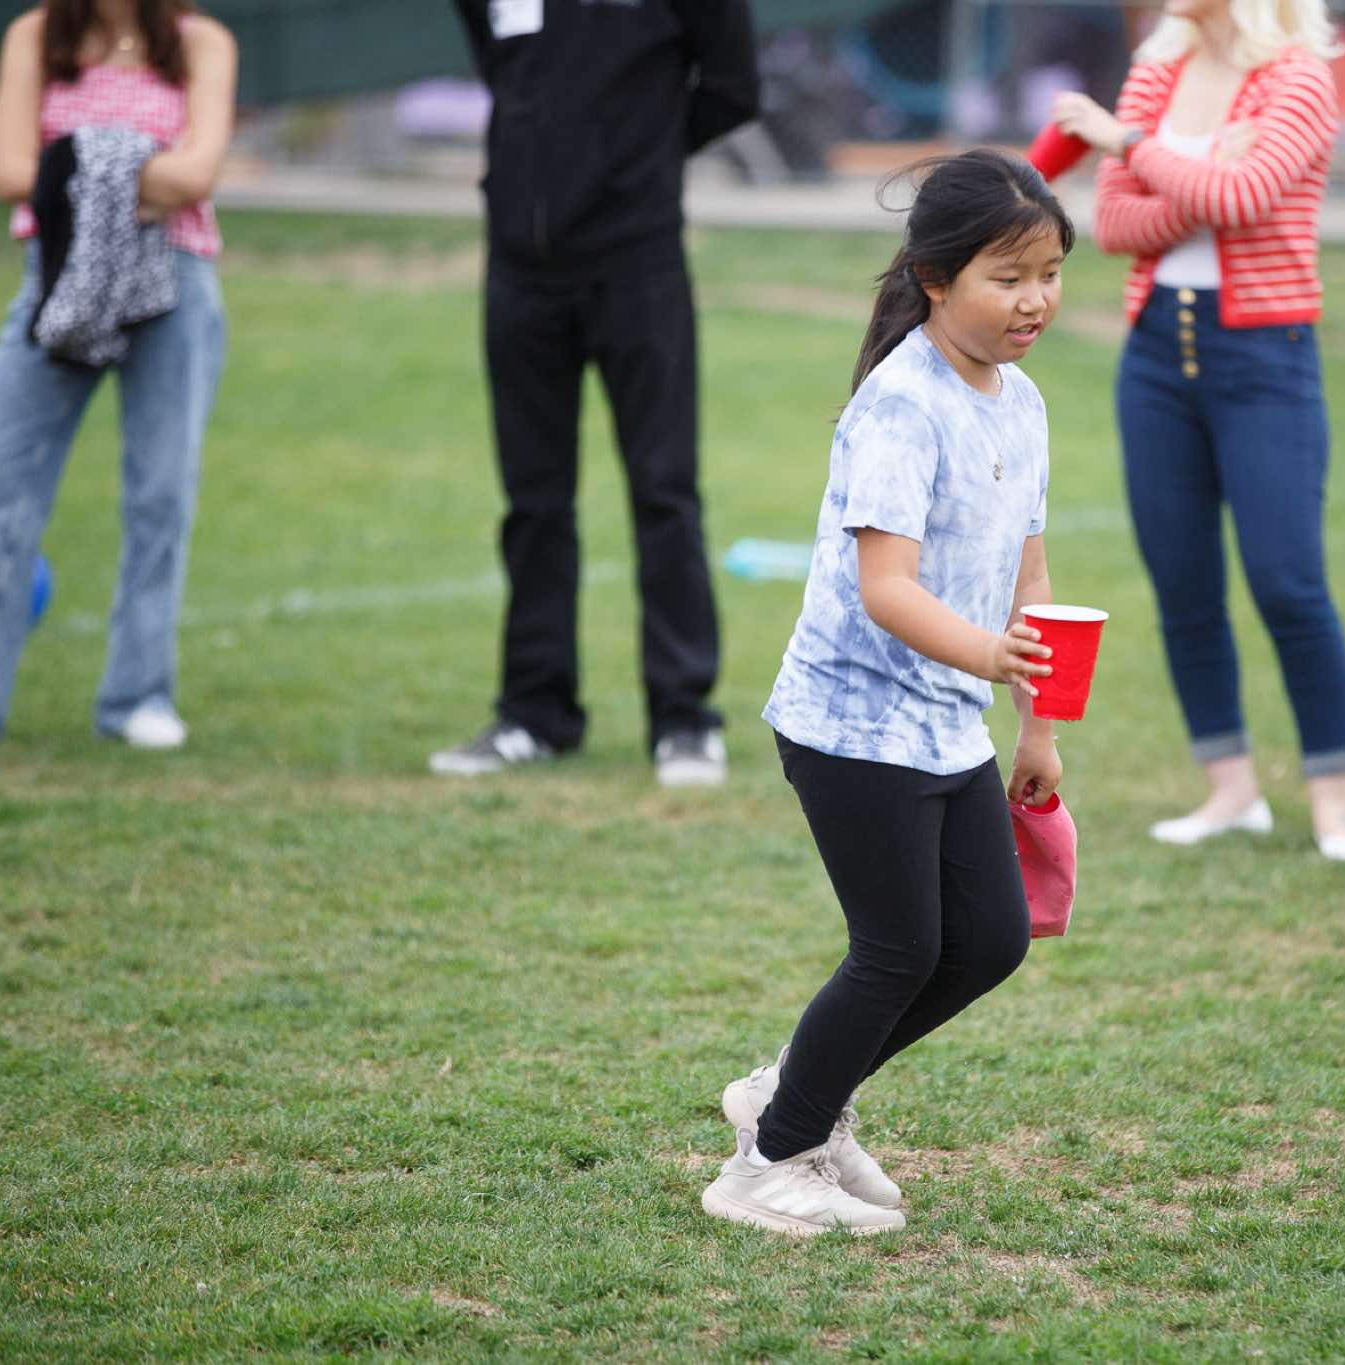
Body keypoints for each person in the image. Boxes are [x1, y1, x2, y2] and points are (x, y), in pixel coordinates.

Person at [701, 150, 1069, 1236]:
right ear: (934, 278)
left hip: (946, 723)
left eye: (1050, 274)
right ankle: (767, 1163)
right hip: (851, 722)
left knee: (990, 939)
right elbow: (886, 588)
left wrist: (1038, 727)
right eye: (1008, 277)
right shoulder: (902, 405)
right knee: (899, 947)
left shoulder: (1021, 401)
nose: (1035, 300)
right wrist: (989, 657)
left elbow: (1031, 579)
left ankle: (794, 1095)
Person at [1050, 0, 1345, 860]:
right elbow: (1116, 225)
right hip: (1155, 352)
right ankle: (1230, 789)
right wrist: (1197, 178)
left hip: (1267, 356)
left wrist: (1132, 147)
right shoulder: (1156, 68)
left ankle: (1335, 802)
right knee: (1181, 582)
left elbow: (1247, 195)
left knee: (1287, 583)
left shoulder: (1298, 77)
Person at [433, 0, 759, 786]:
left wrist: (632, 153)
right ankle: (535, 713)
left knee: (664, 490)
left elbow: (734, 88)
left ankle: (683, 718)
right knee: (533, 502)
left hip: (637, 262)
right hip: (519, 270)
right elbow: (502, 65)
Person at [0, 0, 235, 751]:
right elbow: (10, 172)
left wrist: (72, 162)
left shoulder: (202, 43)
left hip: (175, 279)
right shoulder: (33, 36)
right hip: (57, 279)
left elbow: (198, 175)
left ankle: (138, 697)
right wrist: (135, 167)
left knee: (160, 492)